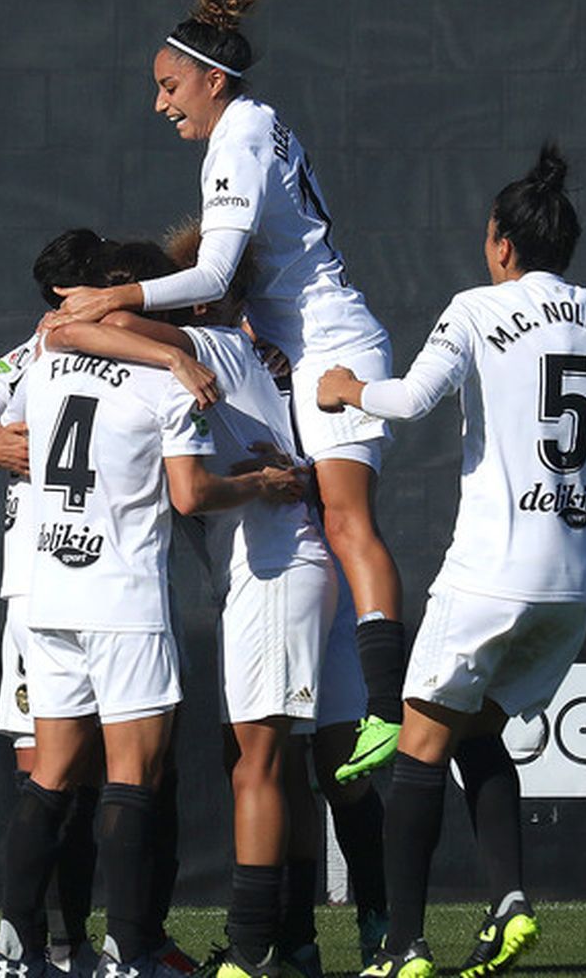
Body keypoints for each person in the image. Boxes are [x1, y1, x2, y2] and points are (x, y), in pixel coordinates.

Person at [316, 147, 586, 978]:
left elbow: (410, 398)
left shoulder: (479, 309)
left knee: (418, 745)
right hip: (573, 585)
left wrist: (344, 389)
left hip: (491, 571)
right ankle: (511, 900)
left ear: (501, 245)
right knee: (477, 730)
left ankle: (405, 949)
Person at [45, 0, 411, 784]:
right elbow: (258, 274)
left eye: (169, 86)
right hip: (315, 341)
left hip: (336, 349)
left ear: (212, 79)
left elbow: (212, 276)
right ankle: (375, 708)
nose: (160, 102)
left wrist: (112, 300)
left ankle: (389, 711)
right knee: (331, 518)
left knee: (349, 521)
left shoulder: (237, 139)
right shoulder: (260, 122)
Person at [47, 223, 393, 975]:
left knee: (256, 764)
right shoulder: (243, 358)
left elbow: (71, 329)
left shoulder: (212, 347)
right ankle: (298, 942)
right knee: (293, 763)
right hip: (293, 563)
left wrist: (140, 326)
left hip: (274, 569)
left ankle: (250, 951)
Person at [0, 240, 305, 978]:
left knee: (52, 777)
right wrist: (257, 482)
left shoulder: (50, 361)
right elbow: (191, 495)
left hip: (49, 592)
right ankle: (129, 951)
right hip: (122, 593)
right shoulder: (173, 383)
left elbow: (59, 338)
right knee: (136, 776)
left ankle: (16, 949)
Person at [0, 229, 107, 975]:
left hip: (104, 589)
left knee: (94, 777)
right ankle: (24, 943)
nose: (70, 306)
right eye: (64, 295)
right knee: (47, 773)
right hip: (36, 591)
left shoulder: (131, 356)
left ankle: (72, 943)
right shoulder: (26, 358)